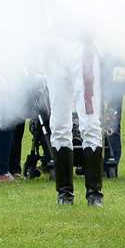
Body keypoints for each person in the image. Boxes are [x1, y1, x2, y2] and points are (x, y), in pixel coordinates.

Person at [45, 34, 104, 207]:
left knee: (90, 122)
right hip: (55, 48)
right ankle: (64, 192)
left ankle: (94, 194)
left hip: (82, 46)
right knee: (58, 124)